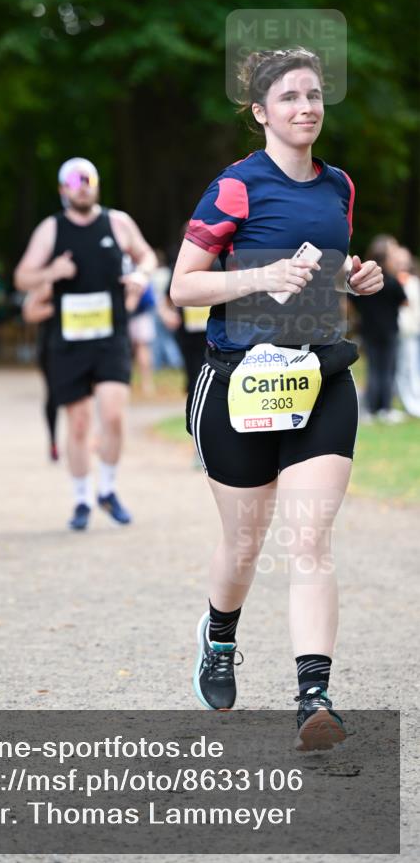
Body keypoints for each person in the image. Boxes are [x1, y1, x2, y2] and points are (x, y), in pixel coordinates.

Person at [170, 48, 383, 749]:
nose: (306, 107)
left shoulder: (338, 187)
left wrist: (353, 280)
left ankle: (312, 696)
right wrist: (259, 277)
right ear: (260, 112)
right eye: (289, 96)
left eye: (314, 94)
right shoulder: (235, 187)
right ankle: (219, 637)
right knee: (242, 543)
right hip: (237, 384)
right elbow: (184, 286)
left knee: (309, 537)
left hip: (320, 377)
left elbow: (318, 274)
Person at [14, 157, 157, 531]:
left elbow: (146, 255)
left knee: (112, 415)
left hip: (111, 336)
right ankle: (80, 499)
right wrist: (52, 272)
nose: (83, 186)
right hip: (69, 341)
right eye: (75, 181)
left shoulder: (118, 222)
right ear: (63, 189)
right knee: (78, 424)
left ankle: (107, 490)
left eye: (89, 179)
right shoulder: (51, 229)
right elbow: (22, 277)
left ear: (97, 184)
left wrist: (141, 275)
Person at [351, 235, 407, 423]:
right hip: (389, 330)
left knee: (374, 369)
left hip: (369, 329)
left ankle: (371, 407)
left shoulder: (363, 278)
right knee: (387, 370)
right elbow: (404, 300)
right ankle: (384, 408)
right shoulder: (390, 280)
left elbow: (352, 299)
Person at [22, 283, 60, 461]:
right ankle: (53, 441)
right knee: (53, 395)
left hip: (82, 347)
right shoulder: (50, 283)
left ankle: (82, 438)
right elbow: (29, 313)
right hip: (52, 347)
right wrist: (59, 307)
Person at [394, 245, 420, 417]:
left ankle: (414, 400)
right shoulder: (395, 281)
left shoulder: (412, 281)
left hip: (413, 330)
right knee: (404, 368)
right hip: (401, 331)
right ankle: (410, 404)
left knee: (412, 367)